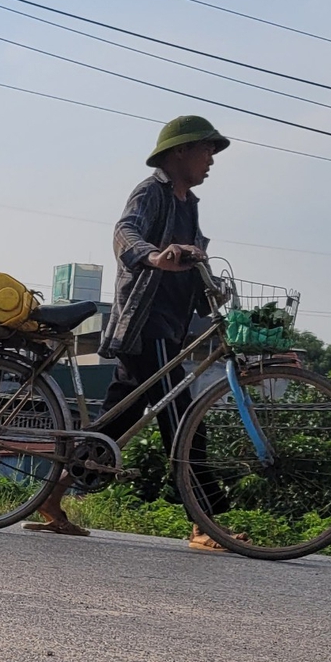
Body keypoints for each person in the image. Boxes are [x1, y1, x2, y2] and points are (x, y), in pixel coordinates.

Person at [97, 115, 232, 552]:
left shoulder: (189, 204)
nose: (211, 160)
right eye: (205, 150)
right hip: (145, 323)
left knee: (116, 423)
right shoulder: (151, 191)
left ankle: (53, 497)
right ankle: (203, 525)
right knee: (183, 421)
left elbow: (191, 258)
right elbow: (125, 232)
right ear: (180, 152)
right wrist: (154, 257)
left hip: (170, 328)